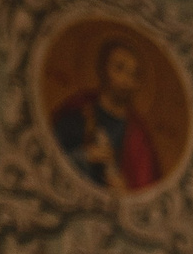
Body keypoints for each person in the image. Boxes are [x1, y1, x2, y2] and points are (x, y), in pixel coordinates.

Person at [50, 37, 165, 193]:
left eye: (134, 74)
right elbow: (47, 159)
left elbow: (149, 188)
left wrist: (127, 191)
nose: (126, 80)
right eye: (119, 68)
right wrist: (84, 157)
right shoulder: (77, 112)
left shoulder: (139, 137)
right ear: (103, 69)